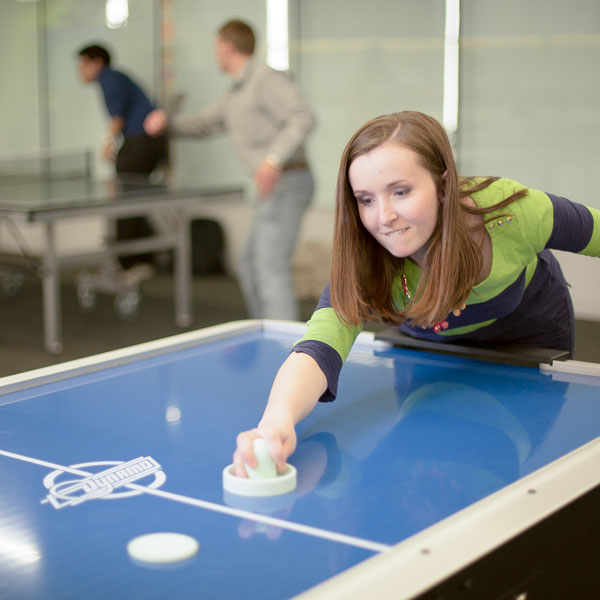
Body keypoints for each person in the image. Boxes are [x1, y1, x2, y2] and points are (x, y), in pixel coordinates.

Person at [232, 110, 600, 477]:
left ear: (443, 185)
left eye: (400, 191)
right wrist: (276, 423)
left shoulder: (512, 214)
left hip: (528, 333)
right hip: (429, 346)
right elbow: (318, 347)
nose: (384, 216)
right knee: (420, 460)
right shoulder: (367, 260)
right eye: (366, 199)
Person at [144, 19, 315, 321]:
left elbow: (302, 116)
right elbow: (204, 122)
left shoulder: (266, 79)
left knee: (269, 267)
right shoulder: (234, 93)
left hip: (290, 180)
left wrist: (272, 160)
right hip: (272, 186)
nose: (214, 55)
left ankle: (287, 355)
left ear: (227, 48)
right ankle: (265, 331)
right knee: (249, 266)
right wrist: (166, 124)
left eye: (216, 49)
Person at [77, 43, 168, 268]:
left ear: (97, 63)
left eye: (83, 64)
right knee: (134, 200)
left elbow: (117, 118)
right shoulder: (115, 77)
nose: (79, 70)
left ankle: (126, 261)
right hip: (148, 142)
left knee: (125, 201)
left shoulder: (108, 77)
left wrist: (107, 145)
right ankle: (146, 257)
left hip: (141, 142)